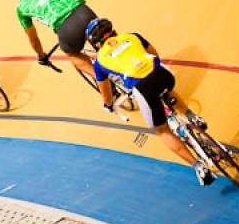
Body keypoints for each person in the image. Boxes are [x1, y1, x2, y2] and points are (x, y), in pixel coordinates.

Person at [85, 17, 214, 186]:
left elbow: (106, 92)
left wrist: (108, 105)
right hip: (163, 75)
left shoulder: (99, 61)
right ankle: (192, 116)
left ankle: (199, 166)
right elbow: (154, 54)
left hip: (143, 88)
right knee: (167, 91)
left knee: (162, 130)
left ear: (95, 44)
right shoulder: (132, 36)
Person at [7, 0, 98, 75]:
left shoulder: (21, 7)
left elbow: (34, 39)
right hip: (85, 11)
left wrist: (41, 56)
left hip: (67, 28)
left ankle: (106, 85)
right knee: (108, 47)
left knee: (73, 55)